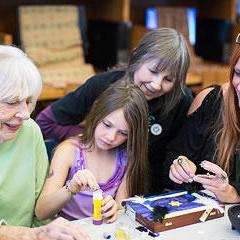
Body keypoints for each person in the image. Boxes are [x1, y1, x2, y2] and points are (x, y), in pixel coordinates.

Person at [36, 27, 193, 194]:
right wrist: (91, 136)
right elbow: (45, 122)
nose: (156, 84)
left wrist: (181, 163)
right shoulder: (101, 85)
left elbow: (179, 150)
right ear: (136, 57)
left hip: (148, 191)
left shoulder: (182, 101)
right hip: (97, 189)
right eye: (153, 71)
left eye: (168, 79)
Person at [0, 45, 89, 239]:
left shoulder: (29, 131)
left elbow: (41, 213)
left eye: (29, 101)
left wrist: (48, 233)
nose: (25, 114)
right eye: (12, 102)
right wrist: (34, 235)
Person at [35, 80, 149, 223]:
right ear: (96, 115)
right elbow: (41, 212)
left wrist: (115, 209)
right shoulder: (69, 151)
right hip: (67, 232)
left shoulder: (127, 158)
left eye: (123, 133)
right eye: (107, 125)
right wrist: (70, 188)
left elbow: (121, 207)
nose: (110, 137)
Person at [167, 35, 240, 203]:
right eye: (237, 73)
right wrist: (179, 165)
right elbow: (174, 155)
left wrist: (233, 195)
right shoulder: (211, 101)